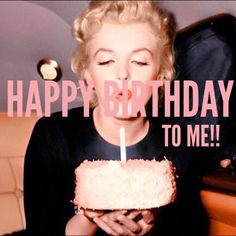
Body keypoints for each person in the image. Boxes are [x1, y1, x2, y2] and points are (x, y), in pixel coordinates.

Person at [23, 1, 208, 235]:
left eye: (139, 61)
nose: (122, 74)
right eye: (106, 61)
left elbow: (193, 227)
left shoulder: (178, 141)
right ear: (88, 73)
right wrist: (88, 219)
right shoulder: (52, 134)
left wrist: (154, 222)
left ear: (159, 76)